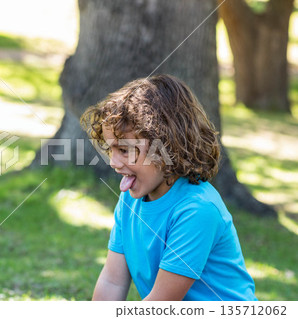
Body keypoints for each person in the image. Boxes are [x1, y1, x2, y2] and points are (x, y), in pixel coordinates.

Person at [80, 74, 257, 301]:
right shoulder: (129, 200)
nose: (113, 162)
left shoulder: (197, 209)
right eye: (111, 150)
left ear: (165, 148)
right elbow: (112, 281)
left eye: (124, 150)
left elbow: (160, 305)